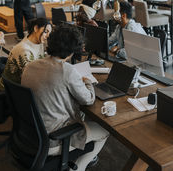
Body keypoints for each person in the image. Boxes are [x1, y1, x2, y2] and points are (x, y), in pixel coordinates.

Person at [21, 25, 109, 171]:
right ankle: (78, 168)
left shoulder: (30, 66)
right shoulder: (66, 71)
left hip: (30, 133)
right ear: (73, 50)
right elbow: (88, 99)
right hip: (53, 139)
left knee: (83, 119)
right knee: (104, 131)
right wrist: (87, 81)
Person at [0, 18, 51, 90]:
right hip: (9, 90)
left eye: (49, 33)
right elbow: (30, 79)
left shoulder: (38, 41)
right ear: (35, 28)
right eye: (45, 31)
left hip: (21, 84)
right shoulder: (24, 50)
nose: (48, 35)